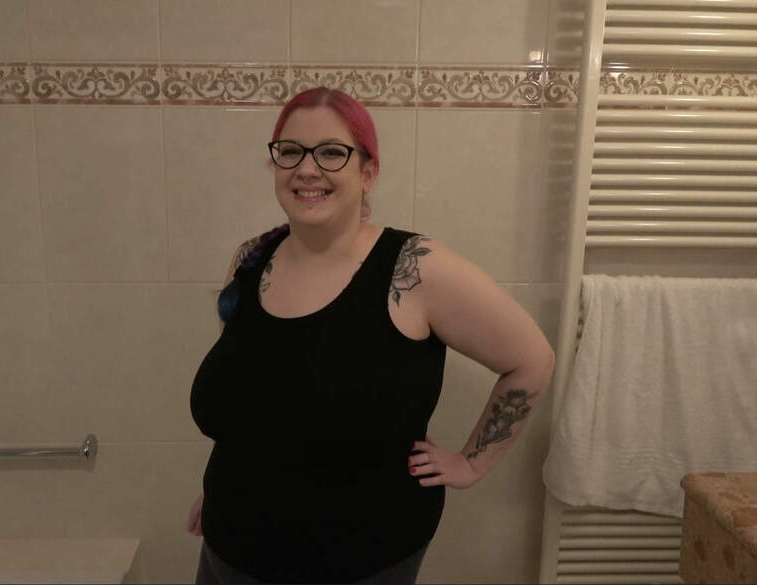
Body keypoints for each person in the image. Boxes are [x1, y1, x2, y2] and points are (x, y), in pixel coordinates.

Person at [187, 87, 555, 584]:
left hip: (359, 561)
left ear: (368, 172)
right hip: (227, 548)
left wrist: (471, 464)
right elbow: (250, 400)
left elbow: (532, 360)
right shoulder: (251, 260)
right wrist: (218, 491)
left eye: (331, 153)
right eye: (291, 151)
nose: (307, 169)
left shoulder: (415, 269)